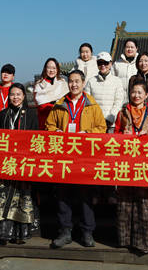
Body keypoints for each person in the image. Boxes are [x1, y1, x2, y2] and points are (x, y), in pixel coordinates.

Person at [46, 69, 106, 248]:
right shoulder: (59, 104)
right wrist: (56, 131)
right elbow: (49, 126)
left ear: (83, 83)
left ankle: (87, 232)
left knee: (86, 194)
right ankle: (65, 231)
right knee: (63, 194)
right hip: (64, 157)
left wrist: (86, 133)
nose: (74, 84)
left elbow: (101, 128)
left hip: (84, 157)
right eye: (71, 81)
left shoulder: (92, 105)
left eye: (77, 81)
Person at [114, 80, 148, 254]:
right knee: (126, 200)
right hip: (126, 162)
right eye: (133, 92)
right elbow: (115, 136)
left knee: (145, 201)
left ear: (146, 95)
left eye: (140, 92)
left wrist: (147, 137)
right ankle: (126, 240)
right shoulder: (122, 113)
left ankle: (146, 242)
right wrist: (123, 135)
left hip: (146, 163)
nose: (136, 95)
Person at [0, 83, 39, 245]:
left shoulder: (31, 115)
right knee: (3, 195)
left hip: (23, 161)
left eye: (18, 94)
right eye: (12, 94)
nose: (15, 97)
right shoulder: (3, 114)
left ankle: (20, 234)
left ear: (24, 96)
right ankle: (3, 232)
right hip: (7, 162)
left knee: (21, 197)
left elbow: (36, 138)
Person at [84, 52, 124, 133]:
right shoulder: (91, 81)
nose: (103, 65)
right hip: (95, 124)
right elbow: (87, 102)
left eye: (105, 63)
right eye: (100, 63)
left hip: (111, 125)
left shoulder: (117, 81)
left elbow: (118, 102)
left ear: (110, 63)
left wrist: (110, 118)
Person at [33, 57, 68, 129]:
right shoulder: (39, 85)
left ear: (57, 69)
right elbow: (41, 106)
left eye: (54, 68)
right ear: (45, 69)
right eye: (49, 68)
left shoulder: (63, 83)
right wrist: (56, 106)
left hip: (60, 121)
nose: (51, 70)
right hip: (44, 120)